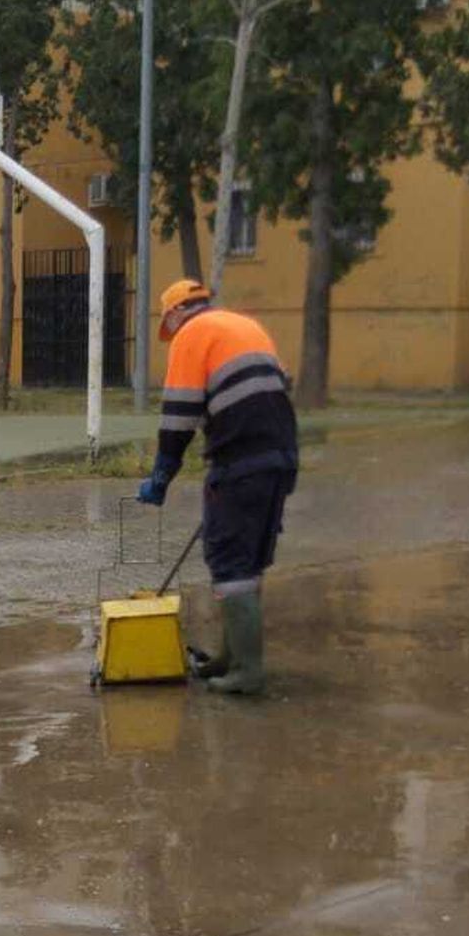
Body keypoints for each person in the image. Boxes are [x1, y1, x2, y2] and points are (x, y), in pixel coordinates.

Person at [135, 277, 299, 696]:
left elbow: (178, 416)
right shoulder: (245, 327)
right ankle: (232, 658)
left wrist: (160, 478)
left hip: (241, 462)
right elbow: (283, 385)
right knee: (248, 558)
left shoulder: (191, 334)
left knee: (228, 557)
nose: (171, 334)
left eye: (168, 325)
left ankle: (247, 672)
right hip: (280, 458)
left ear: (174, 313)